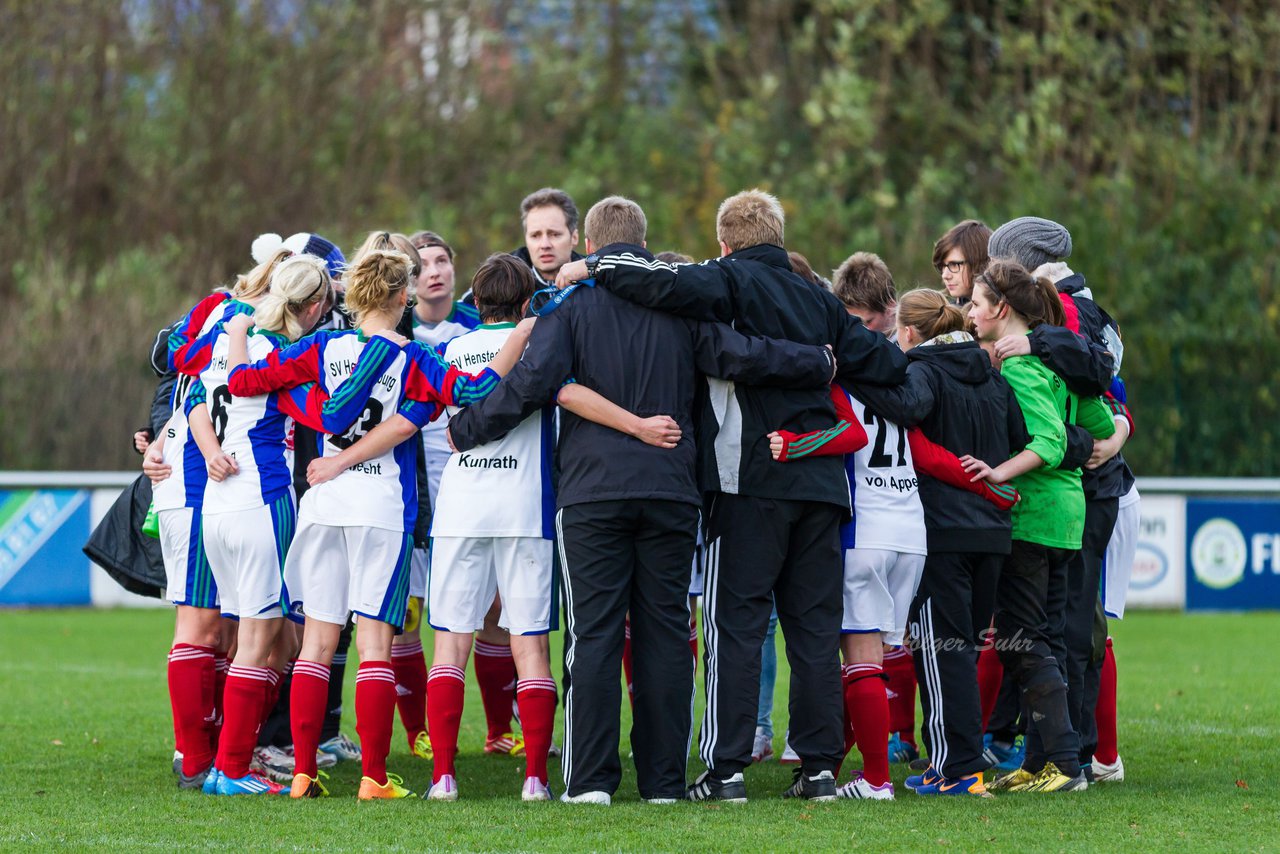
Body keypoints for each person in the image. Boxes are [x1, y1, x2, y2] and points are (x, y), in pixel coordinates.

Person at [449, 195, 838, 805]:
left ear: (589, 245)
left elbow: (529, 385)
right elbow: (742, 357)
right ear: (643, 242)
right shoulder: (680, 308)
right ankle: (661, 782)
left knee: (595, 634)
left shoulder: (572, 308)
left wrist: (465, 428)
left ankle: (592, 782)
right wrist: (816, 362)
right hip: (671, 489)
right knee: (662, 633)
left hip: (592, 494)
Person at [558, 189, 907, 802]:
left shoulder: (723, 281)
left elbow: (660, 287)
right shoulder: (821, 302)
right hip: (823, 485)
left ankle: (726, 769)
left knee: (735, 625)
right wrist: (824, 363)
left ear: (724, 243)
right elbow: (885, 365)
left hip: (748, 479)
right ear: (778, 236)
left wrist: (594, 265)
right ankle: (820, 768)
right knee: (814, 631)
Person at [225, 247, 525, 800]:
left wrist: (240, 328)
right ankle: (373, 777)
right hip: (379, 507)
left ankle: (302, 772)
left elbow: (244, 382)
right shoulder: (410, 358)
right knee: (374, 646)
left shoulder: (320, 345)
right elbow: (476, 391)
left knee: (315, 644)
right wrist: (522, 334)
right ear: (403, 295)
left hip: (322, 502)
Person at [987, 216, 1135, 783]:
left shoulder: (1065, 312)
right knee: (1065, 625)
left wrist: (1036, 340)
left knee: (1065, 627)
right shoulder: (1083, 305)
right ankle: (1059, 753)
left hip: (1076, 492)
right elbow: (1108, 398)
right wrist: (1120, 427)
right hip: (1086, 488)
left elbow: (1094, 379)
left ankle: (1069, 755)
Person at [960, 260, 1116, 793]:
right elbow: (1102, 422)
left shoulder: (1023, 368)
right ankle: (1040, 763)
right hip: (1069, 515)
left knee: (1022, 640)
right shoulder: (1055, 364)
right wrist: (1111, 442)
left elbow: (1048, 442)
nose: (969, 312)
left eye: (976, 303)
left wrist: (995, 472)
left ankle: (1068, 765)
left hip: (1033, 515)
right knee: (1043, 637)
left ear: (1002, 309)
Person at [185, 254, 334, 795]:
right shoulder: (285, 354)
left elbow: (193, 400)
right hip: (262, 500)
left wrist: (210, 452)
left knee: (261, 640)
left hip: (218, 505)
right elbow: (326, 416)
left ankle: (230, 758)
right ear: (313, 306)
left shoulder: (228, 340)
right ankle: (229, 769)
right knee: (260, 638)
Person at [512, 187, 583, 285]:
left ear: (574, 238)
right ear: (526, 239)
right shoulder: (503, 286)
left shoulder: (600, 279)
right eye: (535, 236)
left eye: (554, 234)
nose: (544, 245)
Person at [932, 219, 992, 305]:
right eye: (942, 266)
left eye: (954, 265)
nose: (945, 275)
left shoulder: (1008, 311)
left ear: (979, 262)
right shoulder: (945, 314)